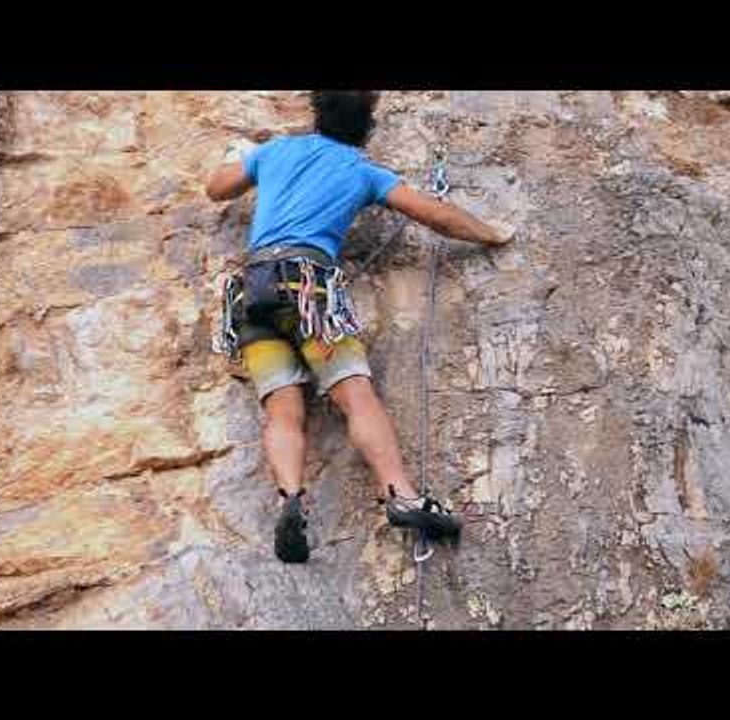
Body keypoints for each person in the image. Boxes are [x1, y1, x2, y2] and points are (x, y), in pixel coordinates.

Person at [206, 91, 515, 563]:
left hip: (253, 291)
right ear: (367, 126)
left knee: (283, 410)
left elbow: (217, 186)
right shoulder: (362, 170)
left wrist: (238, 155)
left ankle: (291, 497)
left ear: (317, 112)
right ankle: (402, 494)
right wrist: (493, 233)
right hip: (307, 289)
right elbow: (436, 215)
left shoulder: (276, 151)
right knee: (355, 394)